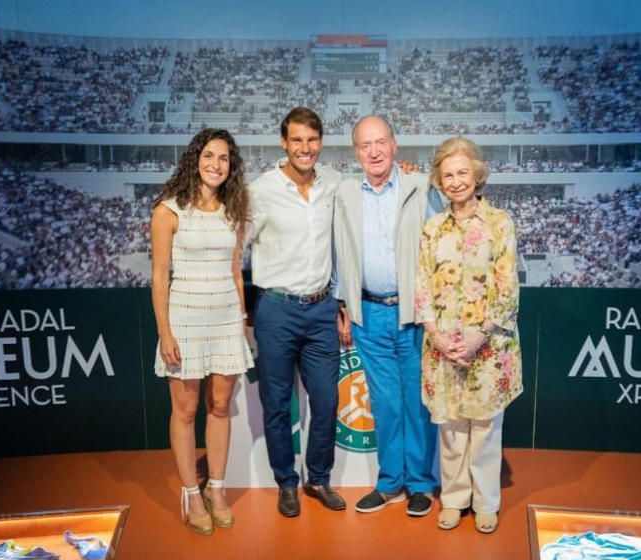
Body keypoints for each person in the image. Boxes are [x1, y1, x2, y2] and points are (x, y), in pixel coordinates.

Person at [415, 136, 523, 534]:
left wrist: (480, 335)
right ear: (439, 181)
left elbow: (507, 287)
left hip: (489, 347)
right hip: (442, 346)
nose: (456, 181)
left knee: (484, 430)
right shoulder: (431, 229)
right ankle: (455, 499)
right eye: (448, 175)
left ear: (477, 175)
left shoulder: (500, 223)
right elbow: (421, 284)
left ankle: (486, 502)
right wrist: (436, 335)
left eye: (463, 173)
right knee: (451, 430)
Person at [333, 115, 438, 517]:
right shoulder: (344, 193)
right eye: (365, 145)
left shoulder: (420, 187)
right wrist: (342, 304)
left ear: (395, 146)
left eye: (381, 143)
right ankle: (390, 482)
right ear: (356, 152)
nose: (374, 151)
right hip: (368, 314)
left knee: (415, 402)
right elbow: (337, 249)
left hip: (413, 314)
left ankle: (419, 485)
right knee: (386, 403)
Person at [151, 128, 253, 535]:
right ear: (195, 159)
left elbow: (235, 272)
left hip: (226, 319)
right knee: (186, 410)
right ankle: (192, 492)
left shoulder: (233, 210)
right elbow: (159, 278)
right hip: (185, 321)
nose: (216, 164)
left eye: (224, 158)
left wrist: (242, 321)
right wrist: (165, 333)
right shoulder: (168, 210)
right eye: (209, 156)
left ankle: (218, 488)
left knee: (222, 406)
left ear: (232, 166)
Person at [249, 107, 346, 517]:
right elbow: (237, 245)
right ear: (284, 143)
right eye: (297, 140)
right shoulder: (260, 190)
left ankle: (318, 479)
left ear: (320, 142)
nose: (305, 148)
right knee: (276, 404)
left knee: (325, 402)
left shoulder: (336, 184)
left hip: (322, 308)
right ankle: (286, 483)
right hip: (276, 309)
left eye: (312, 140)